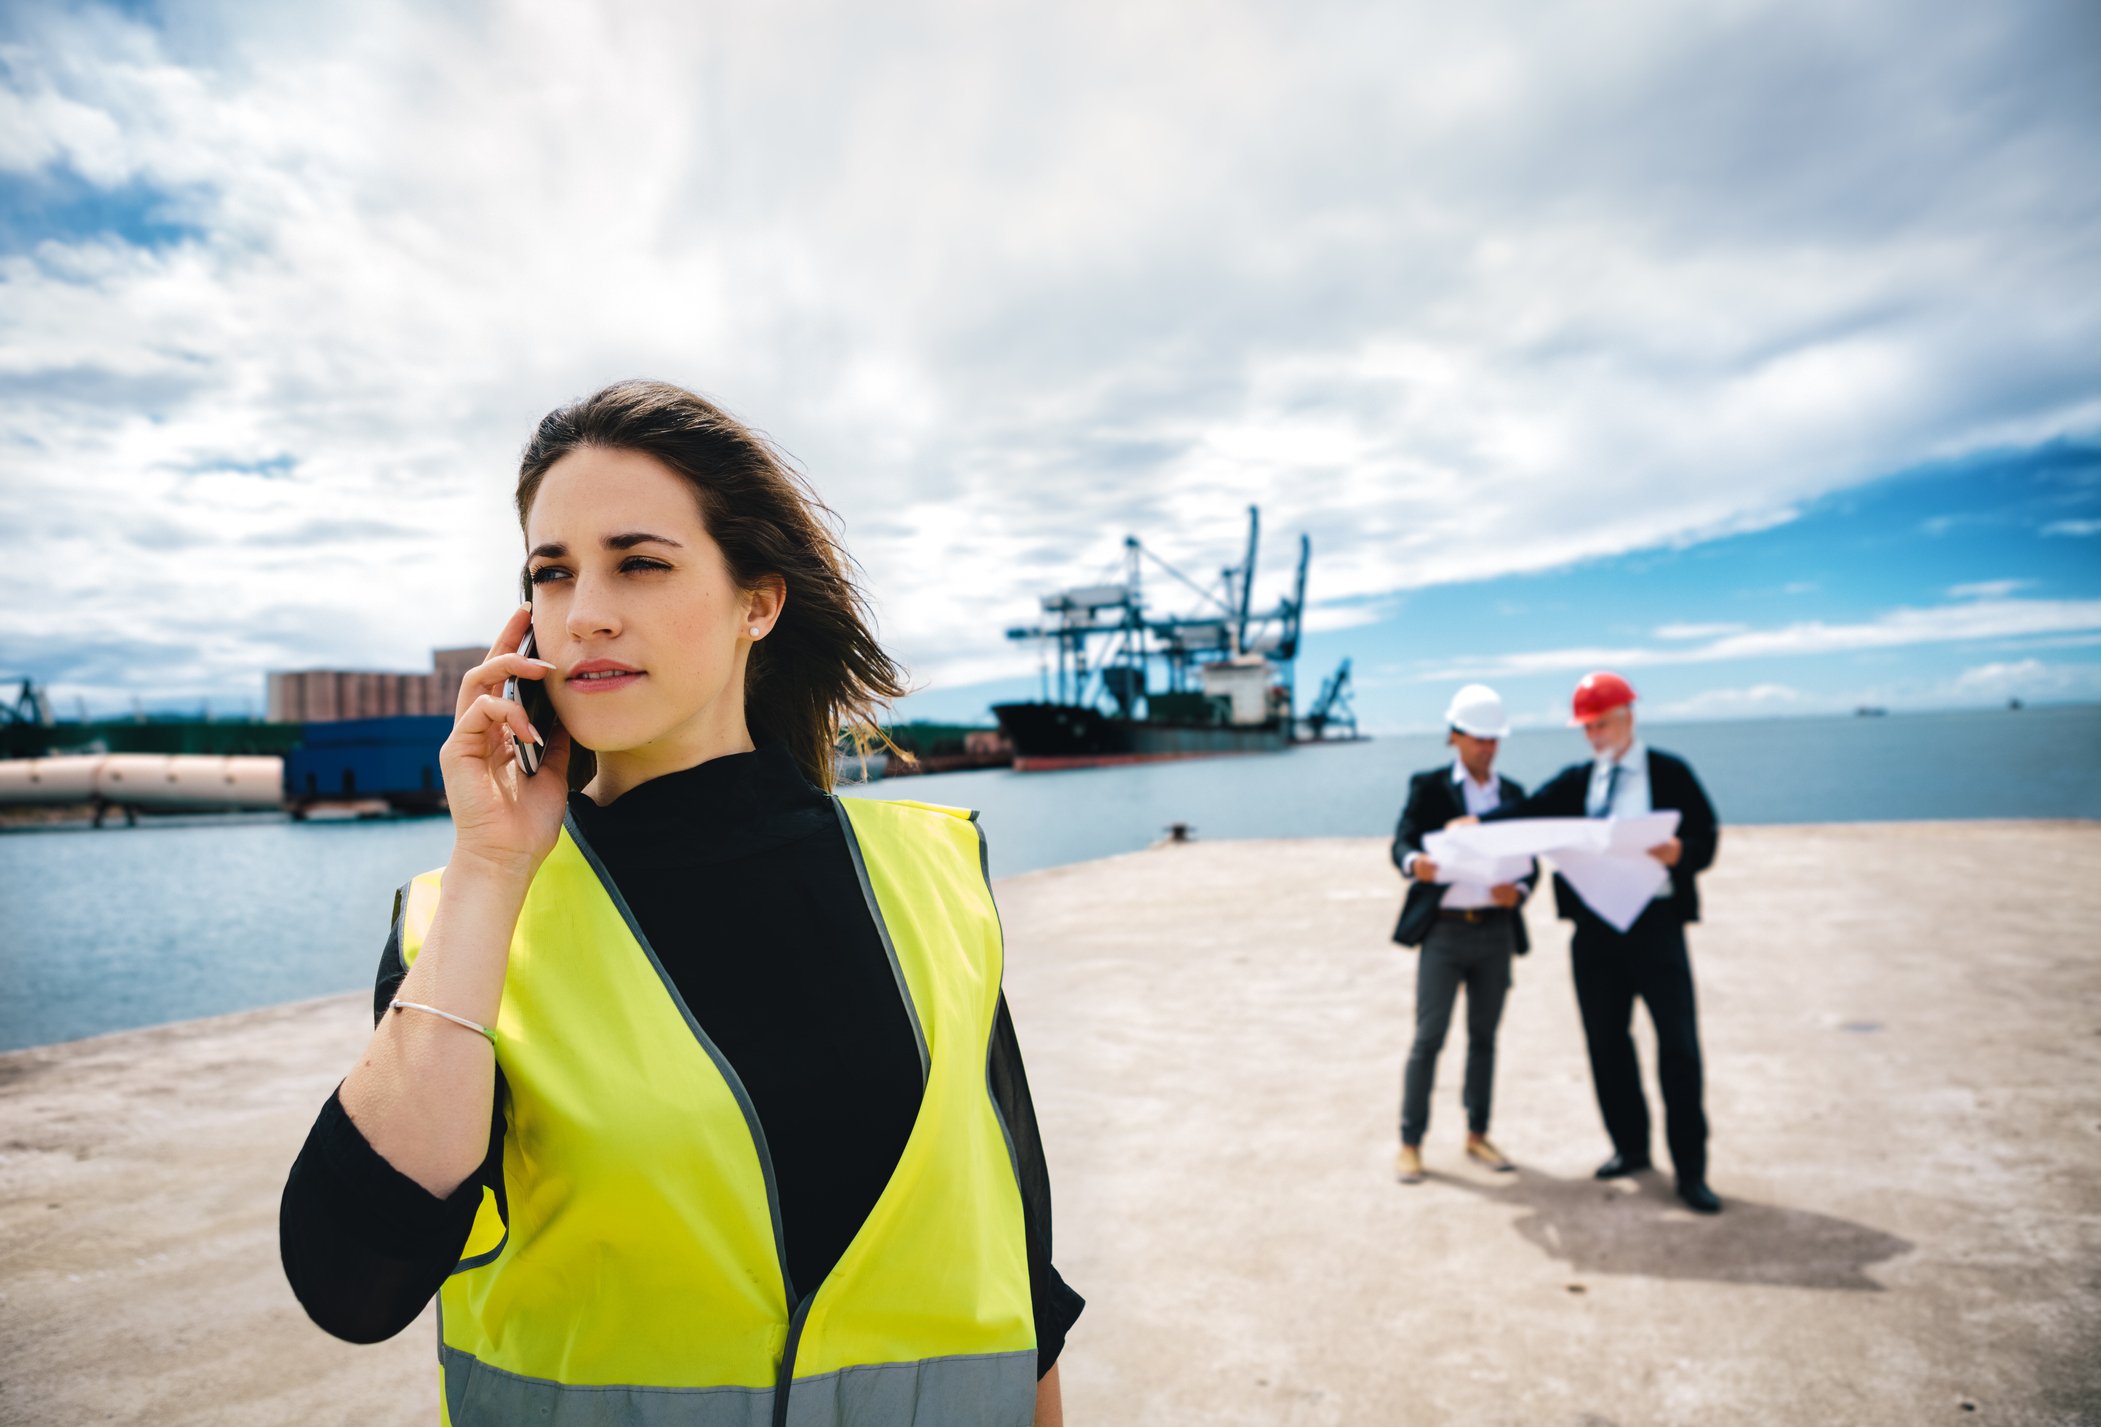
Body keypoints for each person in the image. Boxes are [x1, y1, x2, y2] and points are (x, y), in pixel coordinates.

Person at [279, 380, 1081, 1426]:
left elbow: (1019, 1262)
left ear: (758, 600)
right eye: (551, 574)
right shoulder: (466, 916)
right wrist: (490, 864)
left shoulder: (929, 876)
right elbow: (352, 1282)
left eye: (640, 563)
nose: (586, 612)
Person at [1470, 671, 1722, 1214]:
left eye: (1602, 723)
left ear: (1630, 716)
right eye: (1587, 727)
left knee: (1678, 1047)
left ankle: (1691, 1171)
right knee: (1607, 1044)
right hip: (1595, 933)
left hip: (1656, 928)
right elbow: (1530, 812)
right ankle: (1630, 1148)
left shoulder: (1669, 772)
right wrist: (1476, 824)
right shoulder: (1578, 780)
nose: (1594, 736)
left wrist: (1682, 854)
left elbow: (1706, 835)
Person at [1388, 684, 1537, 1184]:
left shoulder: (1512, 795)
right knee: (1428, 1039)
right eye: (1479, 738)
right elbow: (1403, 840)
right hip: (1444, 933)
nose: (1488, 747)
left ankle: (1478, 1134)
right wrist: (1416, 864)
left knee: (1484, 1039)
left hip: (1494, 933)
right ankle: (1411, 1143)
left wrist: (1518, 888)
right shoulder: (1429, 787)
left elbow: (1529, 863)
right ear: (1455, 736)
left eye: (1495, 739)